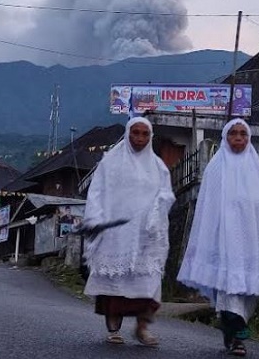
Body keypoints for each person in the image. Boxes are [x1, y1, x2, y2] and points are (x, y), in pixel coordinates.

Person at [177, 118, 259, 357]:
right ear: (225, 137)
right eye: (233, 133)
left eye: (243, 133)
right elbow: (208, 209)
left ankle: (230, 327)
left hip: (249, 243)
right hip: (224, 242)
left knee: (248, 292)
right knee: (229, 287)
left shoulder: (257, 171)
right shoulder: (215, 168)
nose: (238, 138)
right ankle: (237, 336)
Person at [81, 117, 176, 347]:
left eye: (145, 134)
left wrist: (158, 209)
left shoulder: (158, 167)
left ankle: (142, 328)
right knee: (115, 285)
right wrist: (96, 221)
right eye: (136, 133)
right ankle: (114, 327)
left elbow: (167, 194)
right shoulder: (110, 163)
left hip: (146, 235)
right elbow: (96, 193)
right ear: (127, 133)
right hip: (116, 235)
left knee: (148, 283)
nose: (140, 138)